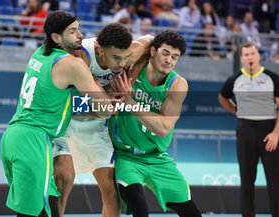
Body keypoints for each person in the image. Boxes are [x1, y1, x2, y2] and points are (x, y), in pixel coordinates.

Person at [0, 11, 114, 217]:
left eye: (79, 29)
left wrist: (84, 104)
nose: (80, 35)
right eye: (72, 31)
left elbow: (55, 98)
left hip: (13, 137)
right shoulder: (73, 65)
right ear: (56, 37)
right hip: (33, 140)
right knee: (33, 214)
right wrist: (100, 83)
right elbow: (105, 109)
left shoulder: (40, 52)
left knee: (46, 209)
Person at [52, 23, 153, 217]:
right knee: (64, 180)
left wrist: (129, 79)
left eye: (125, 58)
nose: (121, 64)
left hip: (95, 128)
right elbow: (95, 109)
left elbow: (150, 41)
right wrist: (108, 99)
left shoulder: (126, 54)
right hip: (66, 120)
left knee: (111, 193)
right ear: (99, 50)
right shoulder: (79, 57)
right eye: (116, 58)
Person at [108, 30, 202, 216]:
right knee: (140, 208)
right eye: (165, 53)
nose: (169, 60)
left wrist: (131, 104)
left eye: (174, 57)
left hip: (156, 157)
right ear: (152, 51)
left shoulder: (177, 84)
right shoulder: (132, 71)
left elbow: (163, 128)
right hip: (126, 156)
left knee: (193, 214)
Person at [219, 42, 279, 217]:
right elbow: (223, 97)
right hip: (245, 130)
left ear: (258, 55)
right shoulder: (234, 79)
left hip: (269, 132)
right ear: (242, 58)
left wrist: (276, 133)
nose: (250, 57)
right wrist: (236, 111)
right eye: (246, 55)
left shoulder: (273, 78)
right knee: (246, 180)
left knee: (275, 181)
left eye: (252, 53)